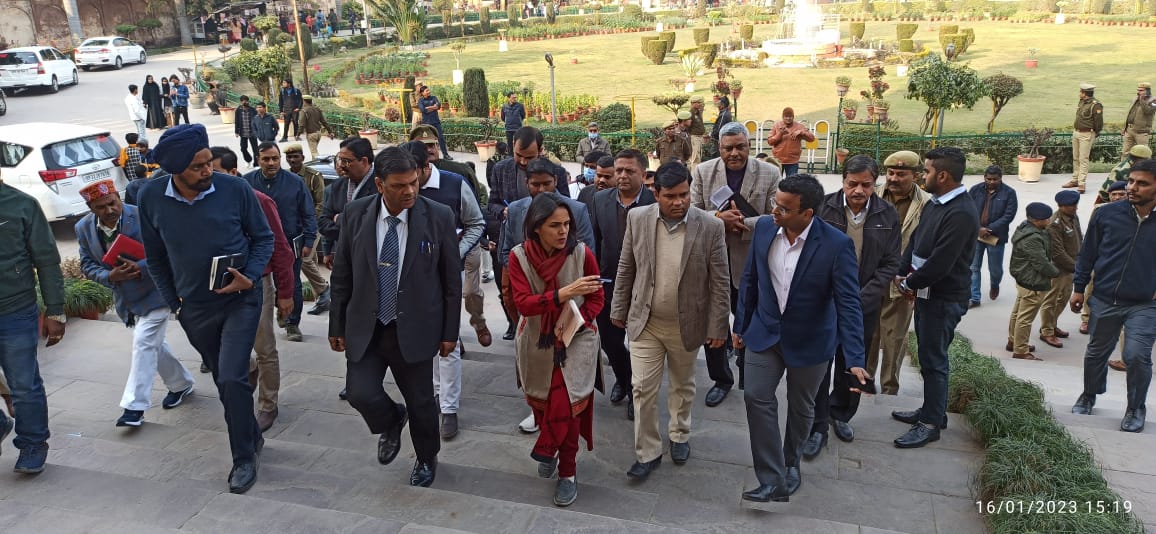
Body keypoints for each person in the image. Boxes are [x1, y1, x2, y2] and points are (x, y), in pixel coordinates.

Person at [137, 124, 274, 494]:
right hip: (194, 307)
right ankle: (251, 436)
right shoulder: (150, 197)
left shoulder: (235, 189)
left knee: (231, 377)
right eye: (197, 167)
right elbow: (156, 257)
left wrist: (250, 276)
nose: (207, 170)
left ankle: (243, 458)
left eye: (208, 162)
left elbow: (264, 238)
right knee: (223, 379)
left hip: (241, 300)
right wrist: (175, 304)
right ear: (174, 169)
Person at [328, 146, 461, 488]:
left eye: (414, 182)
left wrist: (450, 332)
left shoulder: (438, 216)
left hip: (415, 327)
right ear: (380, 185)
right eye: (400, 185)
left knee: (421, 402)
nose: (410, 191)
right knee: (359, 393)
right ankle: (390, 420)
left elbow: (451, 281)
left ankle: (426, 458)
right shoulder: (356, 214)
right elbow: (342, 273)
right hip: (367, 326)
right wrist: (336, 323)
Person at [734, 174, 870, 503]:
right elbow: (750, 279)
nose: (774, 211)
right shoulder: (764, 228)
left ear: (806, 213)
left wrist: (855, 359)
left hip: (811, 341)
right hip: (764, 333)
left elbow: (849, 304)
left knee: (801, 407)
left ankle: (790, 463)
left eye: (783, 208)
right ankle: (772, 477)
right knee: (756, 396)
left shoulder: (836, 245)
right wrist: (741, 326)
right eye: (775, 203)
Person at [610, 161, 730, 479]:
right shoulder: (638, 218)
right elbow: (626, 266)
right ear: (656, 193)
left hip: (686, 324)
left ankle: (679, 434)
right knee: (641, 388)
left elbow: (720, 281)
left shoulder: (710, 226)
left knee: (683, 384)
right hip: (645, 321)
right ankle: (647, 452)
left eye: (684, 194)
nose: (679, 202)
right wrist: (618, 308)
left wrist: (718, 326)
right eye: (671, 196)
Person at [75, 180, 198, 427]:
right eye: (101, 207)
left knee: (143, 342)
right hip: (127, 300)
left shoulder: (144, 216)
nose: (110, 210)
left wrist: (140, 266)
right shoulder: (83, 228)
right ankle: (181, 384)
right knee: (153, 345)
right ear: (90, 208)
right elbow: (87, 264)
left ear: (118, 197)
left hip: (157, 292)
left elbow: (170, 250)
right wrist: (109, 276)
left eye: (113, 203)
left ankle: (134, 407)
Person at [507, 193, 604, 507]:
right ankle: (551, 443)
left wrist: (577, 320)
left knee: (569, 407)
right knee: (543, 404)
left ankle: (566, 471)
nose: (563, 231)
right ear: (536, 227)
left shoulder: (581, 253)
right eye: (554, 225)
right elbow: (523, 304)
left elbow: (597, 298)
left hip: (577, 341)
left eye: (566, 224)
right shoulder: (518, 257)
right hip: (537, 341)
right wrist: (565, 293)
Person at [803, 155, 900, 459]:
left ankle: (841, 413)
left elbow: (891, 262)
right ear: (843, 181)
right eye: (852, 183)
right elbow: (809, 251)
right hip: (825, 302)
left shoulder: (887, 213)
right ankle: (817, 424)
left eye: (866, 185)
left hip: (863, 304)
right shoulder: (824, 207)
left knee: (853, 363)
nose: (858, 190)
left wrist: (860, 298)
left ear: (875, 183)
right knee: (820, 365)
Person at [892, 146, 979, 448]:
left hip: (943, 297)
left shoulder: (961, 212)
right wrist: (902, 271)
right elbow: (917, 239)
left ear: (942, 176)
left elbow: (942, 262)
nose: (922, 176)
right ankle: (933, 411)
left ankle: (930, 424)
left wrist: (909, 283)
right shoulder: (937, 203)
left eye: (927, 171)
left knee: (933, 359)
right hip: (925, 291)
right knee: (929, 355)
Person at [689, 122, 781, 407]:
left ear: (749, 146)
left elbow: (777, 216)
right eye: (728, 148)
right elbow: (692, 213)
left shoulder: (769, 173)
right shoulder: (703, 172)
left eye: (740, 147)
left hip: (751, 262)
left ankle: (748, 373)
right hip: (711, 263)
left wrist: (742, 223)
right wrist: (719, 219)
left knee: (749, 322)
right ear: (719, 148)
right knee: (713, 323)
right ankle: (721, 379)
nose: (734, 153)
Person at [400, 141, 485, 439]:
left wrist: (452, 253)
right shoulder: (400, 189)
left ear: (427, 166)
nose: (408, 187)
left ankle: (449, 407)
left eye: (413, 177)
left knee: (448, 338)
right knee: (426, 339)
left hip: (446, 275)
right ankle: (436, 393)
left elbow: (476, 223)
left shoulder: (454, 184)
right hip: (411, 278)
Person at [210, 146, 296, 431]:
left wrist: (285, 293)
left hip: (258, 283)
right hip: (221, 286)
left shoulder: (259, 201)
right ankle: (250, 371)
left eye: (215, 171)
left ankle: (268, 404)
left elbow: (281, 249)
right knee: (228, 347)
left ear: (233, 172)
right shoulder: (207, 202)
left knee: (265, 347)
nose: (207, 177)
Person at [1070, 159, 1156, 433]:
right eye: (1131, 181)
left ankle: (1136, 407)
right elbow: (1087, 253)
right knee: (1096, 352)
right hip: (1105, 298)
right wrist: (1079, 288)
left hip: (1145, 303)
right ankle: (1089, 394)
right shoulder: (1106, 214)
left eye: (1142, 183)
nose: (1132, 187)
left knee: (1136, 356)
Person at [0, 167, 65, 474]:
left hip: (15, 311)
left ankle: (33, 443)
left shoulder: (22, 205)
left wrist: (55, 310)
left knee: (24, 385)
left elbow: (47, 259)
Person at [591, 149, 657, 420]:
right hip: (608, 284)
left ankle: (637, 394)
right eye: (618, 170)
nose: (622, 175)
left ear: (643, 173)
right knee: (610, 341)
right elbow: (595, 241)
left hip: (645, 286)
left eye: (630, 171)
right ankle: (624, 380)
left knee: (641, 346)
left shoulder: (655, 202)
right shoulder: (600, 200)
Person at [869, 151, 931, 396]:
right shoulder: (871, 195)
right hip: (871, 278)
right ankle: (862, 384)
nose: (894, 178)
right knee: (867, 335)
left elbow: (926, 246)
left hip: (902, 280)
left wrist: (916, 281)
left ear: (916, 176)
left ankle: (889, 389)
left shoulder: (926, 204)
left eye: (901, 174)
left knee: (894, 338)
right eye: (890, 173)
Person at [242, 142, 317, 344]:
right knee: (261, 284)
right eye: (266, 159)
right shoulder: (246, 182)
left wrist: (309, 240)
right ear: (258, 160)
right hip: (257, 246)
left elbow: (308, 213)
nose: (271, 163)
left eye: (275, 158)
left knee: (292, 284)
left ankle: (292, 322)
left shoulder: (295, 182)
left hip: (289, 245)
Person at [1006, 203, 1060, 361]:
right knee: (1025, 318)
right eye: (1046, 219)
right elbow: (1041, 263)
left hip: (1024, 279)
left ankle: (1013, 341)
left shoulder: (1025, 228)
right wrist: (1055, 273)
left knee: (1018, 313)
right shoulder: (1032, 238)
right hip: (1033, 282)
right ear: (1036, 220)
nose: (1049, 221)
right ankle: (1021, 350)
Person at [284, 144, 331, 315]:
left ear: (302, 158)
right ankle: (322, 297)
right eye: (289, 157)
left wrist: (309, 223)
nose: (292, 160)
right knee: (304, 260)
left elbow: (321, 203)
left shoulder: (313, 176)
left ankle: (324, 289)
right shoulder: (285, 176)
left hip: (311, 225)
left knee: (304, 258)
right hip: (292, 227)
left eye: (295, 156)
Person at [1082, 180, 1128, 340]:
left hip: (1121, 260)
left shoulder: (1134, 213)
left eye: (1121, 194)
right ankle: (1086, 318)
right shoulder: (1100, 210)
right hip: (1101, 257)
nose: (1117, 197)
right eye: (1113, 194)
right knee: (1092, 287)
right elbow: (1091, 236)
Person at [967, 165, 1018, 307]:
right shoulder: (975, 190)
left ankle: (995, 284)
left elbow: (1009, 215)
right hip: (976, 235)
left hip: (996, 237)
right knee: (973, 267)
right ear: (984, 177)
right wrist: (978, 228)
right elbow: (967, 209)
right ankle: (974, 298)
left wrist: (988, 229)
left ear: (1001, 178)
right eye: (989, 179)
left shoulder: (1009, 193)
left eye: (995, 179)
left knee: (995, 269)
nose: (991, 182)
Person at [1039, 190, 1082, 349]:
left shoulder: (1073, 217)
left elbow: (1079, 237)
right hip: (1058, 269)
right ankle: (1046, 331)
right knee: (1051, 300)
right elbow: (1057, 253)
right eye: (1071, 206)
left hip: (1071, 266)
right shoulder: (1054, 224)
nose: (1075, 208)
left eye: (1075, 204)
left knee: (1063, 298)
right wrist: (1077, 268)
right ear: (1060, 206)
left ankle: (1052, 324)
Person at [490, 126, 571, 206]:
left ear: (540, 150)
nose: (523, 162)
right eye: (518, 155)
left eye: (529, 158)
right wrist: (503, 211)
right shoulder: (500, 169)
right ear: (513, 145)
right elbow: (492, 203)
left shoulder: (557, 172)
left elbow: (566, 205)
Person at [1062, 83, 1103, 194]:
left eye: (1081, 92)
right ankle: (1075, 180)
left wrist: (1095, 132)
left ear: (1085, 93)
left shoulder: (1096, 105)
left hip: (1087, 134)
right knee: (1075, 158)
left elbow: (1098, 122)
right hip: (1076, 132)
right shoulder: (1082, 102)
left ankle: (1081, 183)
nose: (1079, 93)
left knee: (1083, 159)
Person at [765, 108, 816, 178]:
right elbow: (770, 142)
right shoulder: (776, 126)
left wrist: (801, 132)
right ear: (782, 117)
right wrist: (780, 134)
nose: (788, 118)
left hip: (793, 161)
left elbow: (812, 139)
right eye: (786, 116)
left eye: (790, 116)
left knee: (791, 183)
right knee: (776, 182)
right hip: (778, 160)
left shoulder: (799, 126)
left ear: (793, 117)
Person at [417, 86, 451, 160]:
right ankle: (427, 157)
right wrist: (433, 107)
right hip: (426, 123)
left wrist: (428, 108)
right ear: (422, 93)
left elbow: (438, 106)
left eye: (428, 90)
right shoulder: (421, 100)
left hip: (436, 122)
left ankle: (445, 155)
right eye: (426, 91)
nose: (429, 92)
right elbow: (423, 110)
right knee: (427, 140)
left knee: (441, 138)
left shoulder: (434, 98)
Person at [1122, 82, 1155, 155]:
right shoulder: (1135, 98)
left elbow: (1148, 111)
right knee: (1125, 153)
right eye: (1138, 90)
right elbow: (1130, 113)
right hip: (1129, 130)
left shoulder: (1153, 100)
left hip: (1141, 132)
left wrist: (1142, 100)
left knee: (1144, 154)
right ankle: (1125, 163)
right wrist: (1124, 128)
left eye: (1141, 90)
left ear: (1147, 91)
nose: (1138, 92)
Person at [299, 95, 334, 159]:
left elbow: (301, 124)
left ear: (304, 101)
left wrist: (298, 134)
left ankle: (319, 163)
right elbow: (324, 122)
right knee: (314, 150)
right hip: (318, 133)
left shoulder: (304, 111)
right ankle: (314, 163)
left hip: (311, 134)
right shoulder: (317, 109)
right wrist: (330, 131)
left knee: (314, 152)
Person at [234, 95, 259, 166]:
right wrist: (236, 131)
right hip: (243, 132)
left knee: (255, 149)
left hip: (252, 132)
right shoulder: (238, 110)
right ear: (241, 102)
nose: (245, 102)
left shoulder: (253, 110)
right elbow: (237, 121)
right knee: (243, 148)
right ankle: (248, 160)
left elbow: (257, 121)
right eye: (243, 101)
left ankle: (256, 164)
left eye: (246, 101)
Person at [685, 95, 708, 167]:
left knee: (698, 156)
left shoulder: (698, 112)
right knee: (695, 158)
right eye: (698, 102)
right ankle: (694, 173)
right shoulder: (690, 114)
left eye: (700, 102)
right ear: (693, 103)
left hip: (699, 137)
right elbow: (687, 126)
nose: (700, 104)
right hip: (694, 137)